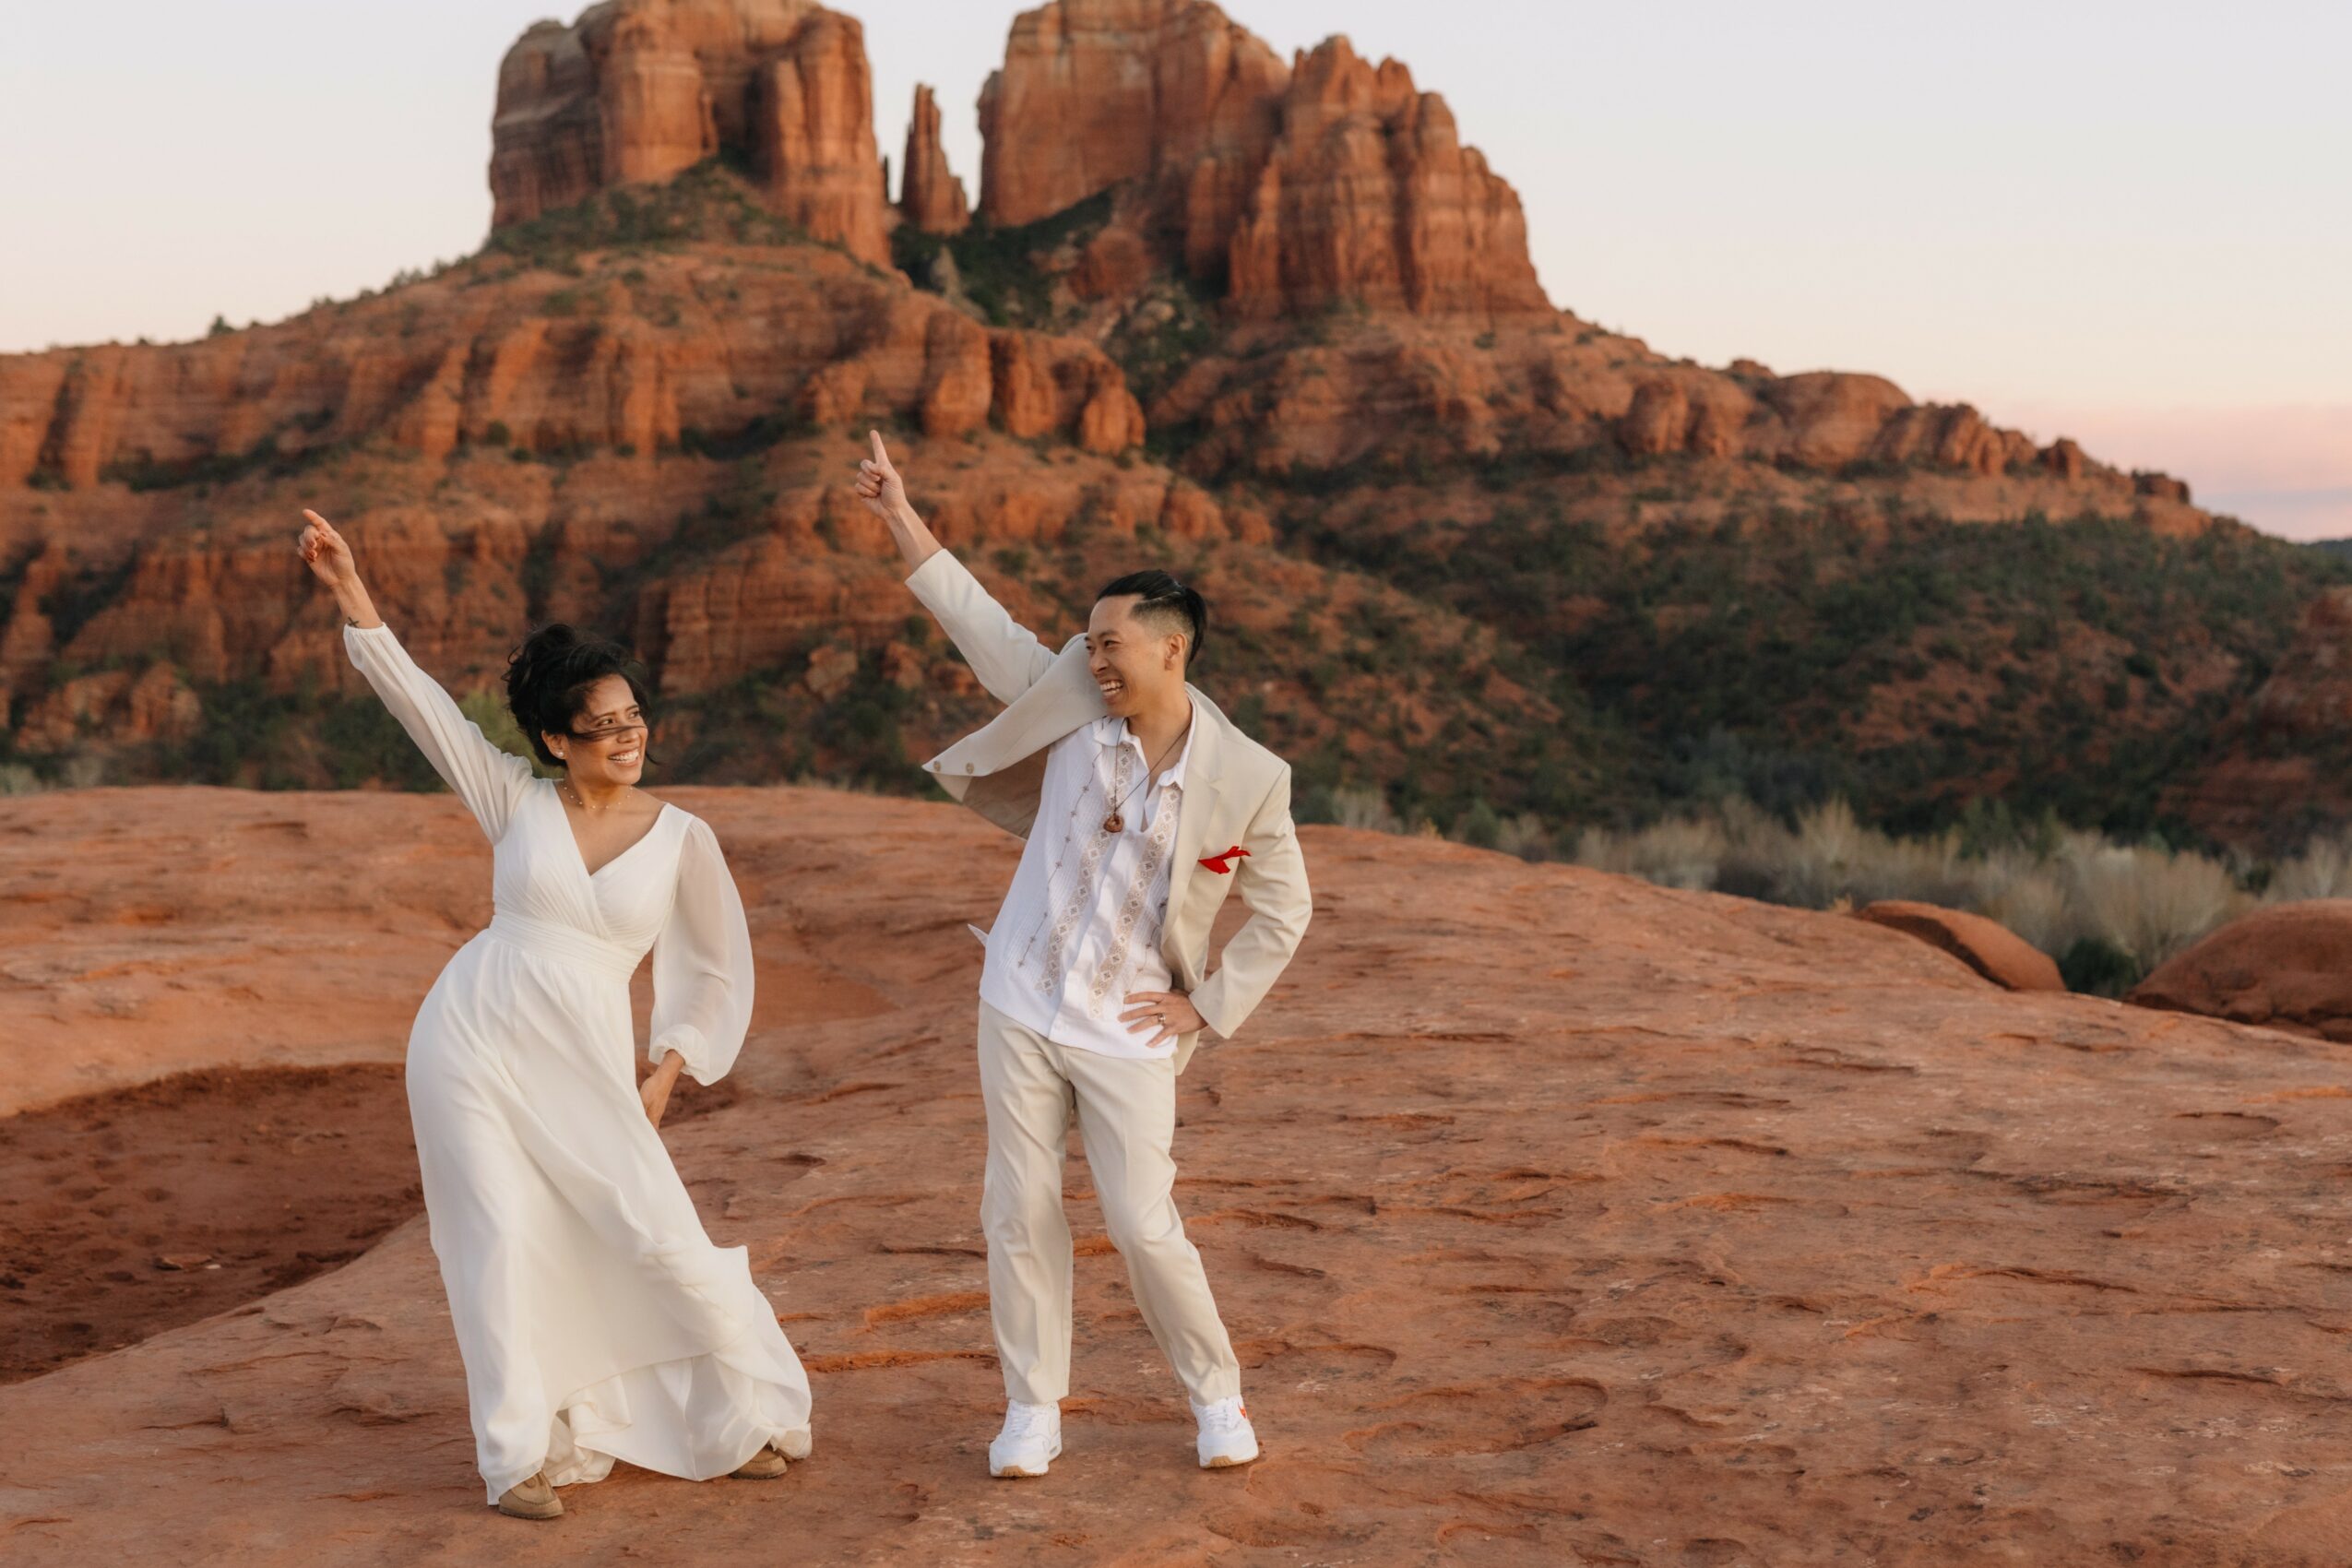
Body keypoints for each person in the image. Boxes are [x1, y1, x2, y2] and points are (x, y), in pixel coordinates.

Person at [295, 509, 810, 1521]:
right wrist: (352, 589)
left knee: (653, 1232)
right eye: (603, 726)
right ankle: (518, 1452)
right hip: (471, 1039)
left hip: (587, 1057)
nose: (628, 736)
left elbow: (711, 969)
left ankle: (732, 1412)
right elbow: (423, 708)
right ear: (554, 741)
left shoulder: (682, 836)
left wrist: (666, 1070)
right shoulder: (514, 801)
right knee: (494, 1239)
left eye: (633, 717)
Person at [850, 434, 1313, 1477]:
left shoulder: (1249, 776)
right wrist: (900, 514)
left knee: (1143, 1225)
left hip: (1130, 1026)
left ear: (1172, 650)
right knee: (1017, 1210)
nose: (1092, 658)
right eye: (1088, 643)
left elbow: (1285, 910)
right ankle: (1033, 1407)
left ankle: (1218, 1396)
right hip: (1020, 996)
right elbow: (980, 621)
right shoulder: (1066, 701)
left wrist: (1206, 1005)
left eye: (1111, 644)